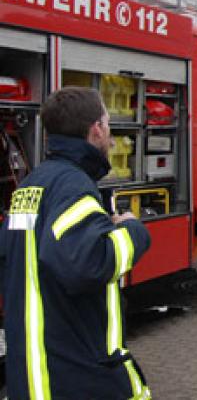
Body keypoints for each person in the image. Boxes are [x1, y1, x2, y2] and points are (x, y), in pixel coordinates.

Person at [0, 86, 152, 400]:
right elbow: (89, 263)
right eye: (108, 125)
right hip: (72, 375)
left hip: (29, 375)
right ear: (96, 129)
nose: (110, 137)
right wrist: (133, 230)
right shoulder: (74, 187)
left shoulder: (30, 186)